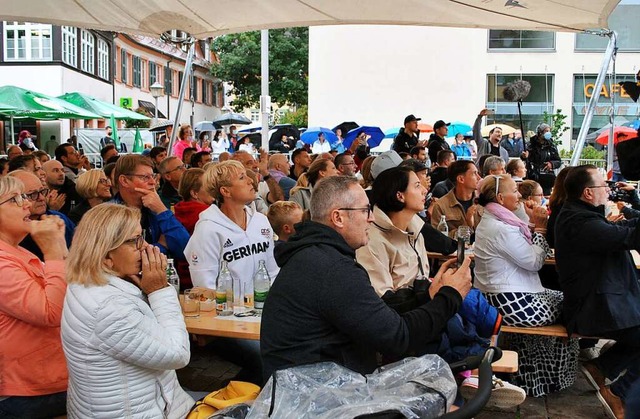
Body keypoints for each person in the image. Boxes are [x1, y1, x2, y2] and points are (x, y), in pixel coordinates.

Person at [260, 175, 472, 380]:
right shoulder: (331, 268)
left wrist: (430, 296)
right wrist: (450, 296)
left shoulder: (316, 256)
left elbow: (375, 318)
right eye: (365, 210)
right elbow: (397, 338)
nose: (371, 218)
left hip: (313, 388)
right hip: (319, 401)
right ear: (338, 217)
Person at [61, 204, 194, 418]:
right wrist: (159, 290)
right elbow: (177, 354)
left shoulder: (87, 283)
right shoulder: (109, 307)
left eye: (142, 237)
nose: (147, 247)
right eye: (135, 241)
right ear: (105, 256)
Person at [474, 174, 578, 396]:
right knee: (575, 305)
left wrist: (531, 217)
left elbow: (521, 231)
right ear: (501, 198)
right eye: (515, 191)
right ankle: (549, 378)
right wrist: (540, 229)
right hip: (513, 303)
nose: (519, 195)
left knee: (568, 300)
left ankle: (534, 378)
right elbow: (534, 262)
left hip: (503, 297)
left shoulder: (497, 218)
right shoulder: (500, 227)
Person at [555, 165, 640, 418]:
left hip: (603, 301)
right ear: (588, 193)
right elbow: (629, 238)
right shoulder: (579, 222)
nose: (608, 190)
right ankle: (619, 394)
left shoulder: (582, 215)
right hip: (592, 307)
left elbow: (627, 230)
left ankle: (601, 368)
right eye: (604, 185)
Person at [0, 176, 68, 418]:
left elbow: (71, 292)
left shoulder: (17, 251)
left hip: (49, 384)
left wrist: (59, 246)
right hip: (26, 394)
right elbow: (51, 312)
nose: (27, 205)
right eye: (15, 199)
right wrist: (52, 251)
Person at [185, 160, 279, 290]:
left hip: (264, 306)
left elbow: (272, 271)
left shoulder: (261, 221)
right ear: (225, 191)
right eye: (242, 177)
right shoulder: (207, 229)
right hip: (228, 308)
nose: (250, 181)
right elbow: (205, 285)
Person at [111, 154, 190, 259]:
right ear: (124, 181)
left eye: (153, 176)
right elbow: (123, 261)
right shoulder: (108, 215)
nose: (153, 182)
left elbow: (185, 250)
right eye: (145, 177)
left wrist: (162, 210)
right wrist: (161, 246)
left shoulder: (154, 209)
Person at [10, 170, 75, 261]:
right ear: (14, 200)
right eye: (32, 194)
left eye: (43, 191)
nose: (41, 198)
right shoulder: (12, 233)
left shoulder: (59, 219)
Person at [173, 168, 214, 289]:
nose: (212, 189)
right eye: (208, 186)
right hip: (204, 279)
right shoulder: (205, 215)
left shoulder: (178, 210)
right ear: (194, 193)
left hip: (183, 276)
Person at [431, 160, 481, 238]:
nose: (479, 177)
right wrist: (466, 225)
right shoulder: (441, 206)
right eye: (474, 173)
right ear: (461, 179)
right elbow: (438, 238)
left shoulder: (483, 203)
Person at [525, 123, 561, 195]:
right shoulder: (531, 145)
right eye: (546, 131)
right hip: (533, 176)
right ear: (540, 132)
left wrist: (551, 164)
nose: (548, 133)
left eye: (549, 131)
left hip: (547, 178)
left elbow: (558, 161)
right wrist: (524, 156)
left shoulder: (552, 146)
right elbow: (526, 158)